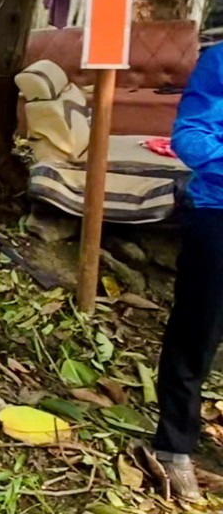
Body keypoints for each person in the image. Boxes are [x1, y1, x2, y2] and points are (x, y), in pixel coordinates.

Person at [148, 42, 223, 502]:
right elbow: (190, 135)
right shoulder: (219, 62)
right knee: (198, 331)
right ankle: (173, 447)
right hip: (218, 211)